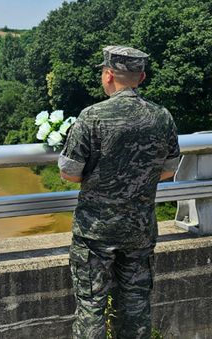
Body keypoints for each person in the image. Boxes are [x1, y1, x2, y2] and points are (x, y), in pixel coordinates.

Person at [58, 46, 181, 338]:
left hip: (95, 234)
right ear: (142, 77)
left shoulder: (91, 117)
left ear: (109, 74)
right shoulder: (162, 117)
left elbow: (68, 173)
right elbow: (169, 170)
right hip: (139, 230)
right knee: (136, 306)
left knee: (91, 307)